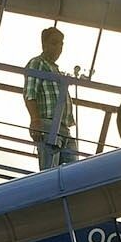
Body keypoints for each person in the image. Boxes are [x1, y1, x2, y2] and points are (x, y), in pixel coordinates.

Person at [25, 26, 77, 171]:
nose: (59, 48)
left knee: (73, 172)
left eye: (61, 44)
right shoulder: (37, 63)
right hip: (49, 125)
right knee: (50, 171)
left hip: (64, 127)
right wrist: (35, 120)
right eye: (54, 43)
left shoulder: (55, 69)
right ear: (44, 44)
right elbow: (30, 93)